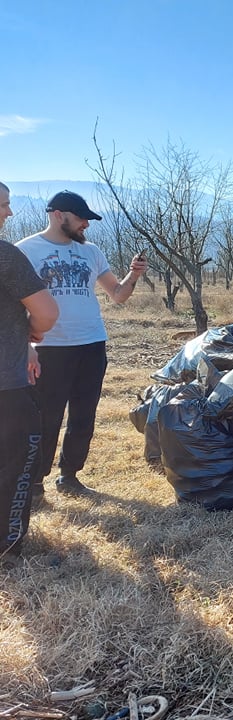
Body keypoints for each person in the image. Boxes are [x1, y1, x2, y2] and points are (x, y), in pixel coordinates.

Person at [16, 190, 148, 499]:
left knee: (83, 415)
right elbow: (13, 305)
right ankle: (35, 483)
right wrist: (26, 345)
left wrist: (133, 274)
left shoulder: (92, 252)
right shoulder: (26, 251)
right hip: (49, 347)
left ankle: (69, 475)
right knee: (46, 416)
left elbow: (117, 294)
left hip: (91, 343)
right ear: (58, 215)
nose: (85, 226)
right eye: (81, 219)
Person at [0, 181, 59, 564]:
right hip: (5, 387)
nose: (8, 213)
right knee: (16, 462)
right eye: (3, 205)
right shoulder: (5, 256)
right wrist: (32, 331)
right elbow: (47, 313)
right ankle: (7, 546)